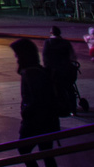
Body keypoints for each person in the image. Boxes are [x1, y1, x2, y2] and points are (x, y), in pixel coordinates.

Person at [11, 38, 59, 167]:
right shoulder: (38, 70)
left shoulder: (30, 73)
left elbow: (36, 99)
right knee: (46, 152)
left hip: (35, 122)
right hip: (47, 121)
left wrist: (26, 114)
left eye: (17, 55)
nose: (16, 57)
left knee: (24, 149)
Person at [42, 27, 78, 117]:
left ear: (51, 33)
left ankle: (62, 107)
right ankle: (73, 109)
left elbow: (45, 57)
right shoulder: (66, 43)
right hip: (66, 69)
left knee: (57, 90)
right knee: (70, 89)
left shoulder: (48, 43)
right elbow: (72, 56)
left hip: (54, 71)